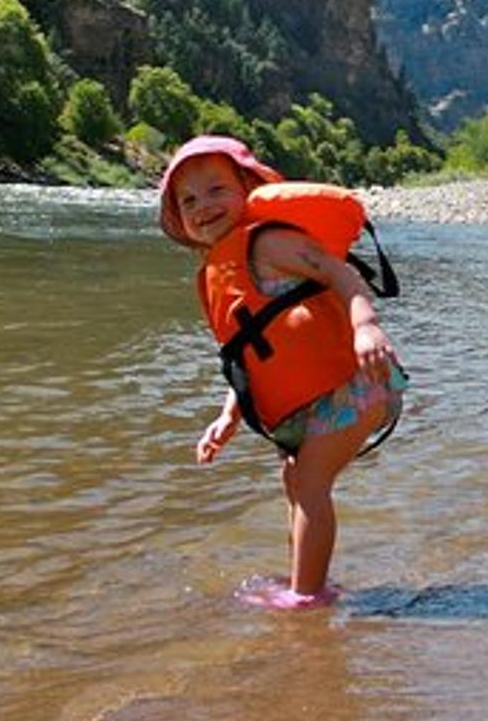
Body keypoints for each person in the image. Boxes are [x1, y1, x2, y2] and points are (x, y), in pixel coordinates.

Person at [159, 134, 407, 606]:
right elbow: (248, 354)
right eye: (188, 200)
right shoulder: (216, 272)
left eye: (216, 190)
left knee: (311, 484)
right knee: (295, 482)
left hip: (354, 384)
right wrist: (227, 418)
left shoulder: (269, 241)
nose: (203, 206)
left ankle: (306, 597)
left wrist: (366, 325)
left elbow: (342, 274)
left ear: (248, 188)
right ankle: (306, 577)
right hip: (306, 402)